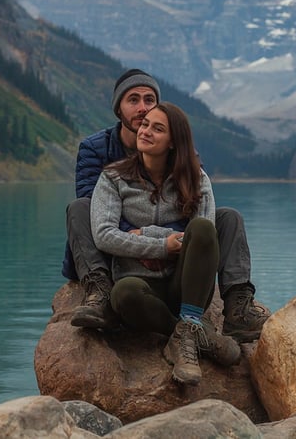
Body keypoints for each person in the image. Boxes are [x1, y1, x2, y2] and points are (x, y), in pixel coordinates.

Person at [62, 69, 269, 341]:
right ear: (118, 108)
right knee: (78, 207)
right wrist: (137, 236)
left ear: (172, 140)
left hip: (173, 252)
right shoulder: (95, 149)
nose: (142, 108)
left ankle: (237, 308)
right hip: (117, 253)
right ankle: (99, 292)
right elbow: (95, 210)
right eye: (133, 100)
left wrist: (153, 237)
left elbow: (193, 213)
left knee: (228, 218)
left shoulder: (185, 157)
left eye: (149, 100)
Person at [90, 102, 241, 384]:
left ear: (174, 142)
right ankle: (191, 332)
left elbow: (201, 235)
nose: (145, 131)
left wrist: (142, 234)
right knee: (124, 293)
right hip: (140, 284)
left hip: (185, 286)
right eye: (145, 124)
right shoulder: (113, 177)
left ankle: (191, 320)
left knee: (204, 229)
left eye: (157, 129)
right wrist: (163, 244)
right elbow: (104, 235)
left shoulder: (196, 178)